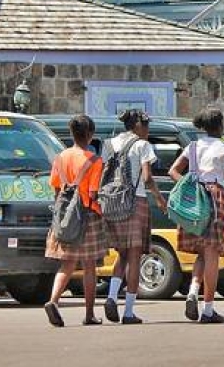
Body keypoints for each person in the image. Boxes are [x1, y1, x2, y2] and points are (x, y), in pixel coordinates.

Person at [169, 108, 224, 324]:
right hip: (216, 200)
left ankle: (192, 292)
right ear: (220, 126)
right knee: (212, 254)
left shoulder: (193, 146)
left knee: (202, 253)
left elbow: (173, 170)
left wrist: (189, 184)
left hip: (194, 202)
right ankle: (207, 309)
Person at [103, 110, 168, 325]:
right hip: (135, 201)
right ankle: (128, 312)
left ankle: (112, 297)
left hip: (113, 202)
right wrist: (159, 198)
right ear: (138, 126)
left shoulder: (109, 143)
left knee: (122, 254)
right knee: (133, 257)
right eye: (147, 126)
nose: (148, 130)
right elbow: (147, 177)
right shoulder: (142, 145)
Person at [44, 115, 106, 328]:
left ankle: (53, 300)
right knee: (90, 266)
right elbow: (93, 192)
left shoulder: (60, 158)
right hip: (88, 216)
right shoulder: (94, 161)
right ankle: (89, 314)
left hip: (64, 217)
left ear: (71, 134)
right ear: (90, 135)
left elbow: (55, 187)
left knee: (67, 264)